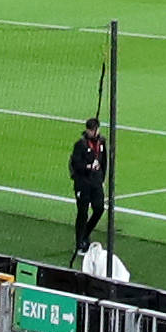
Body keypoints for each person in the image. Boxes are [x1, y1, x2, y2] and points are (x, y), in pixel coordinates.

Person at [68, 113, 112, 264]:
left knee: (99, 208)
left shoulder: (101, 142)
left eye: (94, 130)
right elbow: (75, 164)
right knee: (83, 212)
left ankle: (85, 233)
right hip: (83, 183)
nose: (92, 132)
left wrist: (102, 178)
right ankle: (80, 241)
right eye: (90, 130)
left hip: (96, 182)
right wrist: (88, 167)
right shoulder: (80, 145)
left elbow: (104, 162)